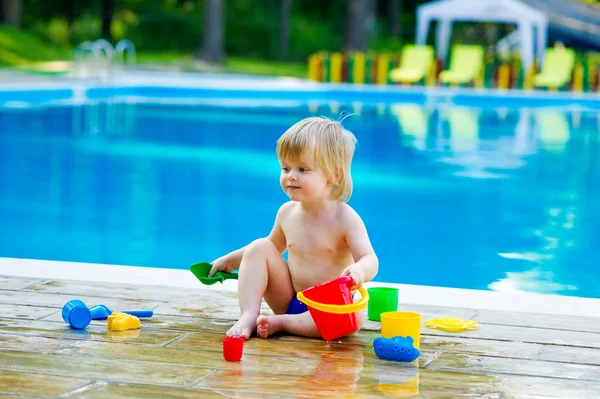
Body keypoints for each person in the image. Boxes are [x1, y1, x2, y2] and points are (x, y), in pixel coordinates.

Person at [209, 116, 378, 340]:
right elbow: (269, 249)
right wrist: (231, 260)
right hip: (292, 300)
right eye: (285, 168)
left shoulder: (345, 218)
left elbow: (370, 259)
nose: (291, 176)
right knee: (260, 246)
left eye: (302, 169)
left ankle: (285, 324)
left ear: (333, 174)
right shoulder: (287, 213)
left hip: (330, 308)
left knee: (353, 318)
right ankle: (249, 315)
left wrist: (359, 270)